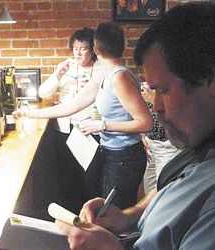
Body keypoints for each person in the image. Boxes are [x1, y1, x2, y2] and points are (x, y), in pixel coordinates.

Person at [55, 2, 215, 249]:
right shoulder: (199, 148)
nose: (157, 105)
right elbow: (167, 193)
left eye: (163, 91)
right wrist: (127, 217)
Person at [14, 22, 153, 210]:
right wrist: (29, 113)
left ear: (95, 49)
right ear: (123, 46)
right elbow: (70, 106)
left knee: (116, 213)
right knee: (108, 210)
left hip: (125, 157)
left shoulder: (119, 77)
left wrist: (103, 125)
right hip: (113, 153)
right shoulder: (104, 75)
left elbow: (145, 123)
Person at [34, 27, 102, 215]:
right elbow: (43, 93)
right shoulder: (67, 67)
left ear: (93, 50)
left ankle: (88, 211)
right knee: (66, 173)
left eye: (83, 48)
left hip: (89, 130)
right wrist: (57, 75)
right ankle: (69, 212)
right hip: (64, 129)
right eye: (75, 48)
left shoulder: (100, 69)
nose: (78, 53)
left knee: (88, 174)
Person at [141, 82, 181, 194]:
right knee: (149, 188)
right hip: (151, 143)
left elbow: (180, 113)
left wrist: (153, 99)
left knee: (165, 189)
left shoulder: (178, 84)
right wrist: (142, 134)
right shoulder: (152, 86)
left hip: (166, 144)